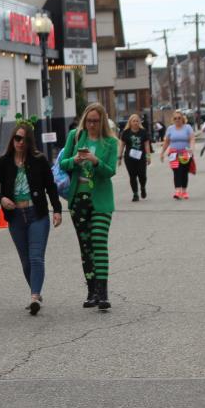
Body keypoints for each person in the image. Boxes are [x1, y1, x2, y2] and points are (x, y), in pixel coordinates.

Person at [0, 119, 62, 314]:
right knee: (26, 261)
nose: (20, 142)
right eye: (17, 138)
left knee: (36, 258)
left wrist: (57, 210)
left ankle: (34, 297)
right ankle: (36, 291)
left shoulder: (39, 160)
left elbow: (51, 186)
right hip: (16, 217)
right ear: (12, 139)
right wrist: (1, 199)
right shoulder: (3, 162)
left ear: (30, 142)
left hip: (37, 215)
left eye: (25, 139)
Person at [60, 103, 117, 310]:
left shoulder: (111, 142)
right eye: (89, 121)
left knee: (99, 241)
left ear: (102, 122)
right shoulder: (76, 136)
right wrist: (75, 160)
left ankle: (103, 293)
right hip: (78, 199)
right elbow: (62, 163)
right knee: (86, 246)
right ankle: (92, 292)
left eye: (96, 121)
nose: (92, 125)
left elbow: (110, 171)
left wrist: (95, 161)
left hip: (101, 200)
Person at [160, 111, 197, 200]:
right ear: (173, 119)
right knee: (176, 172)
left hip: (185, 152)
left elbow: (192, 139)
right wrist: (162, 153)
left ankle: (184, 191)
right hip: (173, 153)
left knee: (184, 172)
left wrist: (192, 148)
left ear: (182, 119)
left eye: (179, 118)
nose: (177, 120)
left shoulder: (187, 127)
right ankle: (177, 191)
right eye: (175, 118)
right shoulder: (170, 129)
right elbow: (167, 141)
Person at [118, 114, 152, 200]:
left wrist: (148, 156)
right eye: (134, 121)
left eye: (137, 121)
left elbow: (147, 145)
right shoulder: (126, 132)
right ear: (130, 122)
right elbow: (122, 145)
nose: (135, 123)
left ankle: (143, 187)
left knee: (142, 175)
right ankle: (135, 194)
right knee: (132, 176)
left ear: (139, 122)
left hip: (141, 158)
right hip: (129, 158)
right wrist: (119, 157)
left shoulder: (143, 132)